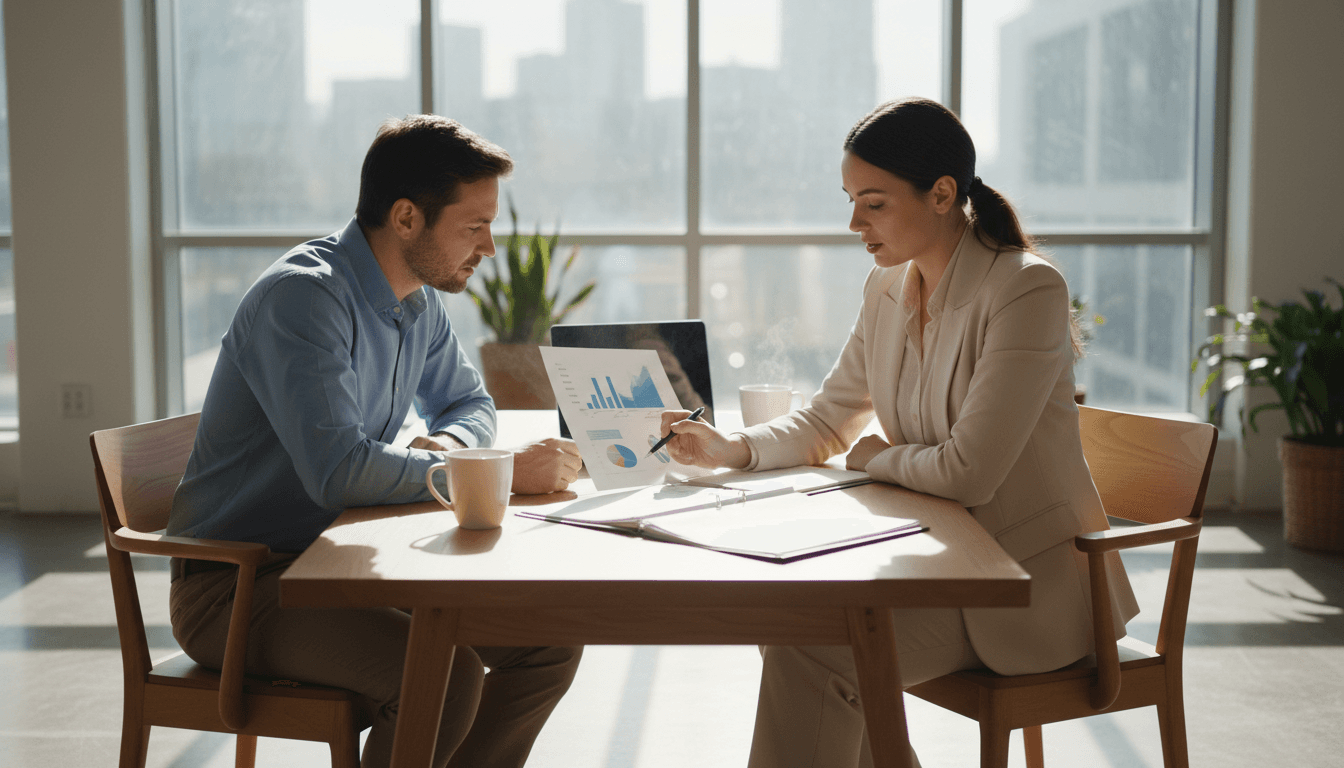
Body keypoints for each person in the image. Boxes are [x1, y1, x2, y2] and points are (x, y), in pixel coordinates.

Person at [659, 98, 1139, 768]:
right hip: (932, 563)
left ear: (942, 194)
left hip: (1023, 588)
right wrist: (735, 449)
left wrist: (881, 459)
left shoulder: (1027, 291)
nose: (854, 221)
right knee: (798, 631)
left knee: (815, 650)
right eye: (852, 199)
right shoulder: (887, 286)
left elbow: (970, 472)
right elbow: (832, 417)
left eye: (874, 203)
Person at [166, 115, 583, 768]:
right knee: (443, 679)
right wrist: (485, 473)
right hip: (244, 588)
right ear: (408, 218)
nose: (490, 248)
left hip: (345, 565)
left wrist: (446, 450)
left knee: (548, 641)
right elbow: (338, 473)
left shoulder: (415, 302)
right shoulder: (304, 300)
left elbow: (469, 403)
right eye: (474, 227)